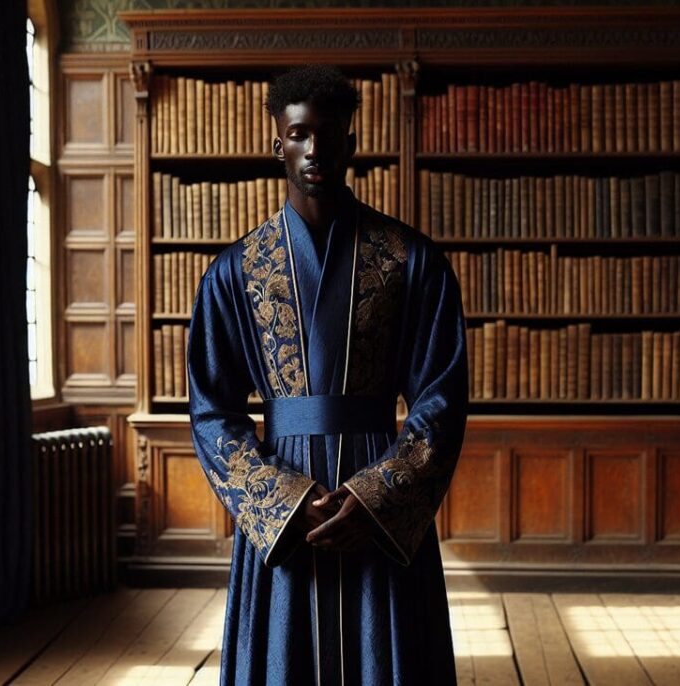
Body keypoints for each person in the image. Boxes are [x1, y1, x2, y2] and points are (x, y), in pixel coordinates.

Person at [187, 64, 468, 685]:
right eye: (298, 134)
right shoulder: (234, 273)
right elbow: (212, 411)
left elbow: (442, 396)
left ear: (351, 142)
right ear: (277, 141)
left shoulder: (410, 260)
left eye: (327, 134)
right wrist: (281, 501)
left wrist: (377, 499)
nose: (313, 149)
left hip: (377, 483)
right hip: (287, 508)